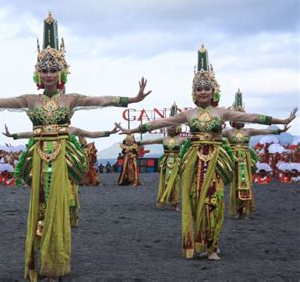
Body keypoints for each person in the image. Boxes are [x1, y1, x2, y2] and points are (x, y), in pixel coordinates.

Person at [0, 12, 150, 280]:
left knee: (57, 207)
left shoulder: (70, 99)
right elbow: (1, 101)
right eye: (44, 70)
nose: (48, 74)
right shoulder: (30, 101)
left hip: (60, 158)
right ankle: (40, 259)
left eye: (53, 70)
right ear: (38, 73)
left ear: (62, 72)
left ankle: (55, 263)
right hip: (37, 158)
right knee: (40, 206)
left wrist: (132, 99)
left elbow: (99, 99)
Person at [117, 44, 296, 260]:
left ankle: (213, 247)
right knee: (193, 201)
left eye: (207, 88)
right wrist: (132, 130)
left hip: (216, 161)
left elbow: (252, 118)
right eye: (199, 89)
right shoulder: (189, 114)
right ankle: (199, 241)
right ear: (194, 92)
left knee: (214, 201)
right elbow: (159, 122)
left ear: (214, 92)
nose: (203, 92)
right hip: (193, 162)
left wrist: (281, 120)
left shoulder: (222, 112)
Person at [223, 89, 290, 219]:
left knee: (246, 183)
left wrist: (279, 131)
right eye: (236, 117)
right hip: (233, 159)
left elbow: (264, 131)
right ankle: (236, 210)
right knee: (235, 184)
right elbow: (214, 135)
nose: (239, 120)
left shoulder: (248, 131)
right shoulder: (228, 132)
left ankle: (245, 210)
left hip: (245, 160)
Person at [138, 102, 187, 209]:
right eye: (168, 127)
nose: (170, 129)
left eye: (173, 127)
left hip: (176, 163)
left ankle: (174, 203)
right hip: (165, 163)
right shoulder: (164, 139)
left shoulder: (182, 139)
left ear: (178, 127)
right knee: (165, 181)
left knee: (175, 182)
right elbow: (150, 141)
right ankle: (164, 198)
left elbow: (192, 143)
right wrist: (139, 143)